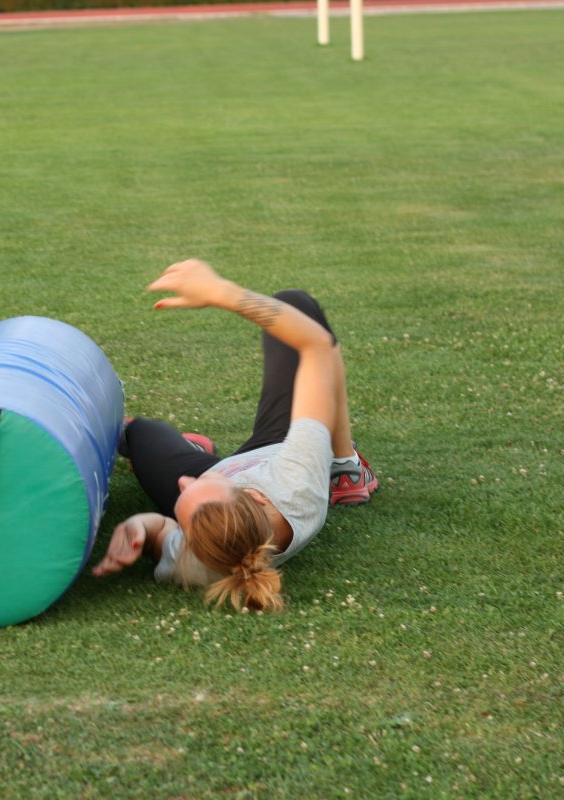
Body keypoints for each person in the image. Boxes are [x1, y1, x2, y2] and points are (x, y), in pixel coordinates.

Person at [91, 259, 376, 612]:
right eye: (194, 487)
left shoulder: (199, 560)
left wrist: (139, 527)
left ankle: (193, 452)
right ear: (255, 496)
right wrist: (221, 292)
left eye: (182, 501)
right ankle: (346, 467)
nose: (183, 481)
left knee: (140, 433)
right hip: (275, 447)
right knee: (294, 304)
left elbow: (160, 532)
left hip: (219, 484)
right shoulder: (296, 480)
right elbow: (317, 346)